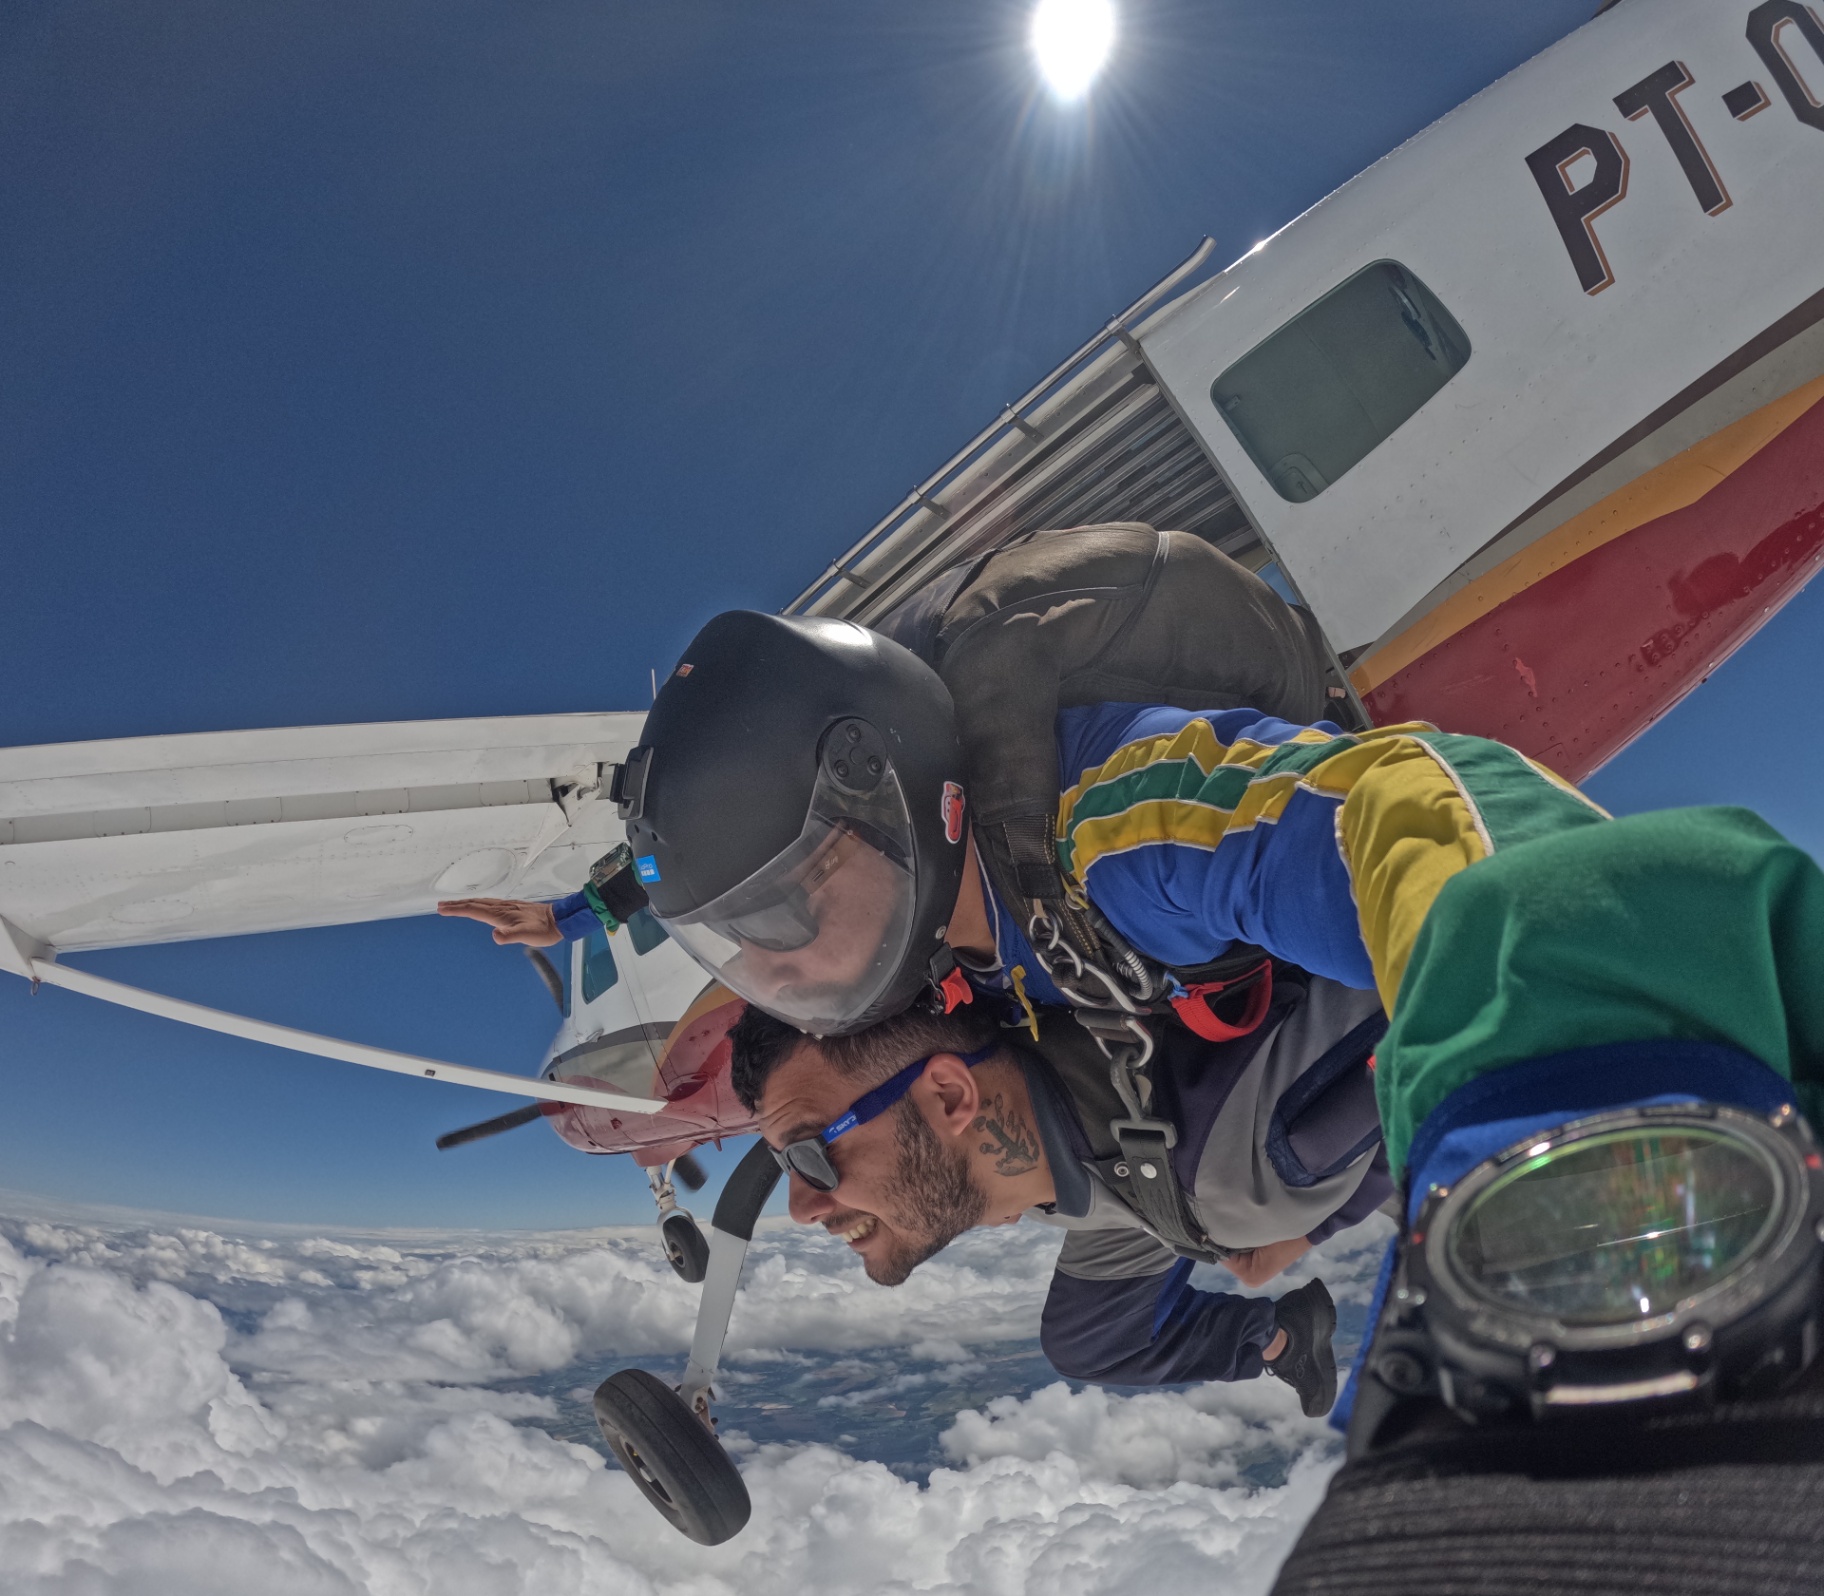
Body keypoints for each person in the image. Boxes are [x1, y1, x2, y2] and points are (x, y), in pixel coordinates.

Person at [726, 991, 1387, 1418]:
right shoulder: (1001, 1005)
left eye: (810, 1152)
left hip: (1186, 1176)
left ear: (951, 1096)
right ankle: (1284, 1339)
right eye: (784, 1163)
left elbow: (1432, 1047)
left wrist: (1311, 1230)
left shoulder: (1250, 1176)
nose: (801, 1208)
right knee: (1092, 1343)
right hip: (1115, 1171)